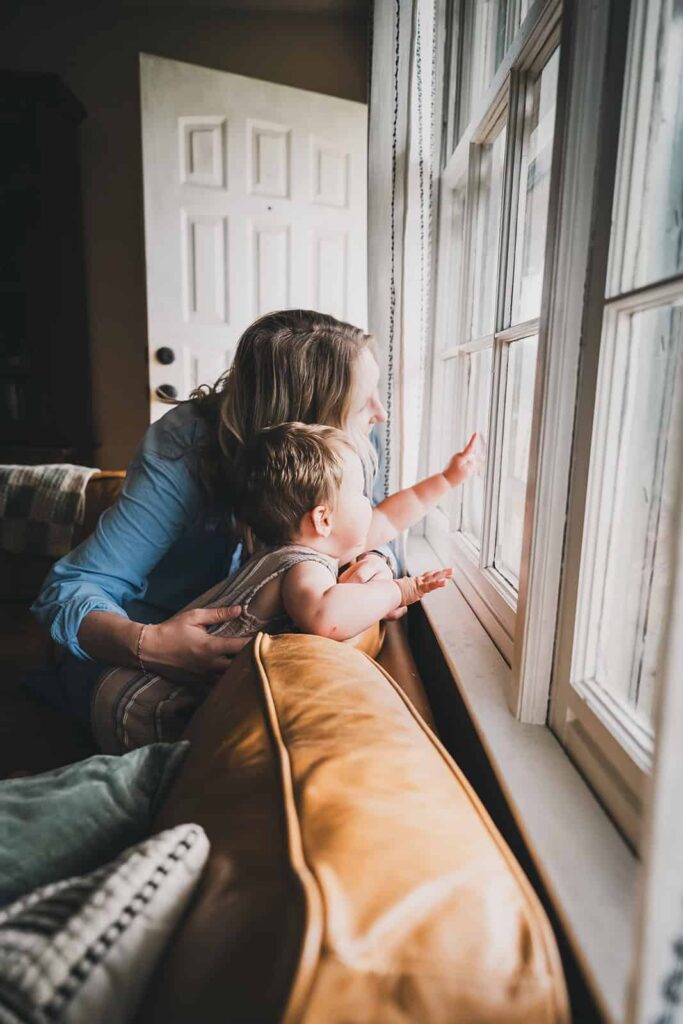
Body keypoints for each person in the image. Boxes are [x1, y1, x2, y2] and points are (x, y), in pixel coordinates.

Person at [28, 310, 402, 721]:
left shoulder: (357, 436)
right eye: (361, 397)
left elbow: (375, 521)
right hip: (140, 651)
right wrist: (148, 644)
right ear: (308, 411)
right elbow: (73, 587)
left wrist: (379, 562)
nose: (379, 412)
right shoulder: (183, 446)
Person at [92, 421, 478, 753]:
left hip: (131, 692)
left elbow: (391, 517)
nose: (370, 504)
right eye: (362, 493)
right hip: (147, 707)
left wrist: (447, 480)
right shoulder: (301, 566)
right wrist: (402, 590)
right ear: (323, 519)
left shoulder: (298, 548)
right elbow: (327, 618)